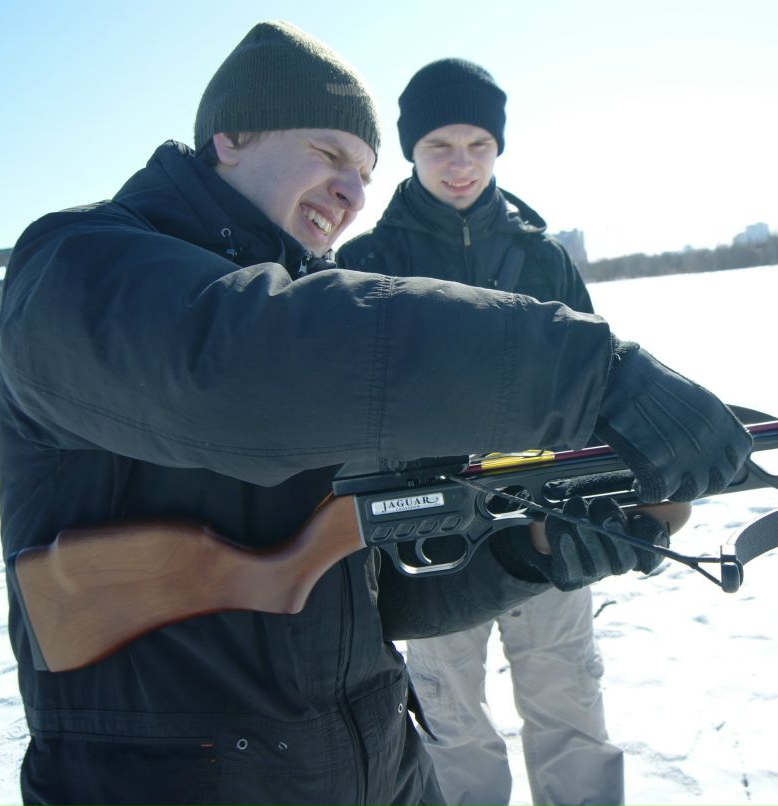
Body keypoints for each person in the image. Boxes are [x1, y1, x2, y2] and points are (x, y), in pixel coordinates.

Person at [0, 20, 752, 806]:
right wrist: (596, 376)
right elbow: (249, 370)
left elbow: (371, 591)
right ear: (231, 135)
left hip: (376, 768)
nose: (353, 192)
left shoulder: (317, 315)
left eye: (363, 170)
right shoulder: (77, 266)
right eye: (329, 155)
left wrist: (532, 554)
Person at [337, 59, 625, 806]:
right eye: (440, 146)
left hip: (545, 523)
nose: (461, 165)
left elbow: (597, 384)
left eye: (478, 146)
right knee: (452, 725)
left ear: (499, 148)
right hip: (432, 545)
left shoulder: (542, 257)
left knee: (571, 712)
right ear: (410, 150)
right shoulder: (367, 266)